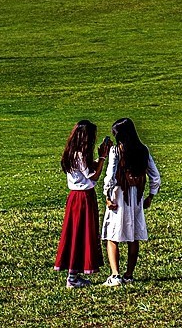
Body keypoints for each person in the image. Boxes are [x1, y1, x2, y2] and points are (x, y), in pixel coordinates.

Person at [101, 118, 161, 287]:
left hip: (120, 194)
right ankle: (129, 274)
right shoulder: (143, 150)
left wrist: (107, 195)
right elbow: (155, 175)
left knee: (112, 236)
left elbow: (110, 175)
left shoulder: (116, 151)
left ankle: (115, 274)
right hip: (137, 195)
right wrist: (150, 195)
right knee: (133, 235)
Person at [54, 120, 112, 288]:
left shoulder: (72, 153)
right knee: (81, 233)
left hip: (75, 197)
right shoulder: (79, 154)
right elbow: (93, 176)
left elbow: (87, 169)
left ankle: (74, 274)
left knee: (76, 233)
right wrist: (102, 157)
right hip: (83, 197)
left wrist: (99, 158)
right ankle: (72, 277)